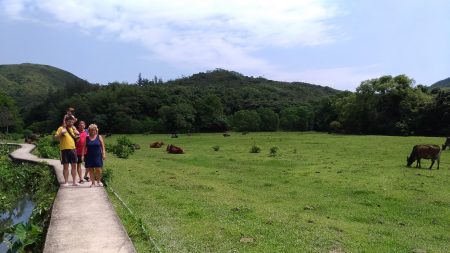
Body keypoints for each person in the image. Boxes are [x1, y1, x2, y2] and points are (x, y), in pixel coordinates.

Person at [54, 115, 80, 187]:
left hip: (73, 149)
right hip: (64, 149)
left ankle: (74, 181)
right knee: (65, 166)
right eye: (69, 121)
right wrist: (61, 133)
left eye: (72, 121)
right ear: (66, 121)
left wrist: (78, 134)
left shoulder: (73, 128)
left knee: (74, 165)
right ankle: (66, 182)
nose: (70, 123)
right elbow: (55, 137)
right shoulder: (61, 128)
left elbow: (77, 140)